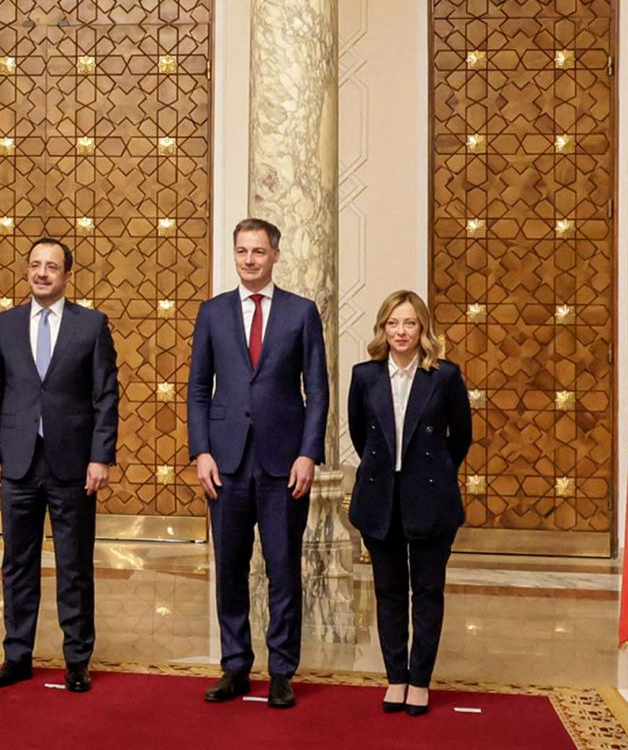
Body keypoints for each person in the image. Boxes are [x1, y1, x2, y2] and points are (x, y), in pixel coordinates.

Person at [189, 217, 328, 709]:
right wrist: (201, 451)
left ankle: (282, 671)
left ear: (275, 255)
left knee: (283, 569)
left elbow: (318, 391)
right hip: (224, 464)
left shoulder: (301, 312)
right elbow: (198, 389)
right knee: (230, 568)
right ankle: (235, 666)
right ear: (235, 255)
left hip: (283, 463)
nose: (249, 260)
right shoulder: (212, 312)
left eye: (258, 252)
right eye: (242, 251)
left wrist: (309, 453)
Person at [0, 237, 119, 694]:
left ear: (67, 275)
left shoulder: (91, 325)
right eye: (35, 265)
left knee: (74, 566)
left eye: (51, 266)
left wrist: (100, 456)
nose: (41, 273)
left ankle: (76, 659)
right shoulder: (4, 324)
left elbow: (106, 396)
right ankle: (17, 655)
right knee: (17, 564)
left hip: (73, 465)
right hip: (16, 463)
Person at [348, 290, 471, 716]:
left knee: (428, 592)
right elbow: (360, 435)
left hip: (431, 499)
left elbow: (462, 437)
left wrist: (433, 471)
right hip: (380, 498)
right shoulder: (364, 376)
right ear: (383, 328)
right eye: (393, 323)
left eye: (410, 323)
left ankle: (419, 680)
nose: (401, 331)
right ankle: (395, 678)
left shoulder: (445, 376)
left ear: (423, 329)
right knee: (388, 593)